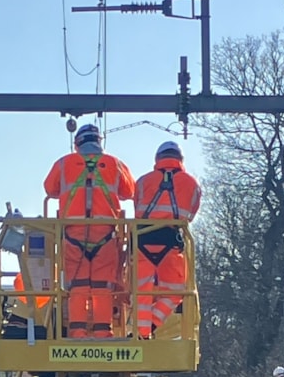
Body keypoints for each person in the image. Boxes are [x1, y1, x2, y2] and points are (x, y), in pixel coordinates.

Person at [43, 123, 135, 338]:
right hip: (106, 234)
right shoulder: (115, 163)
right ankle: (104, 331)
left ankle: (77, 331)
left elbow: (50, 189)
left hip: (72, 233)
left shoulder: (64, 163)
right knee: (103, 285)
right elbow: (129, 191)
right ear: (99, 142)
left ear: (77, 144)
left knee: (78, 285)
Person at [133, 141, 201, 338]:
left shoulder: (143, 181)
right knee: (176, 291)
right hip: (171, 241)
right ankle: (149, 327)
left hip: (142, 240)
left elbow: (136, 204)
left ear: (157, 159)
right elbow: (191, 214)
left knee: (140, 292)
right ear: (180, 159)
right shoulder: (192, 183)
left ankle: (142, 332)